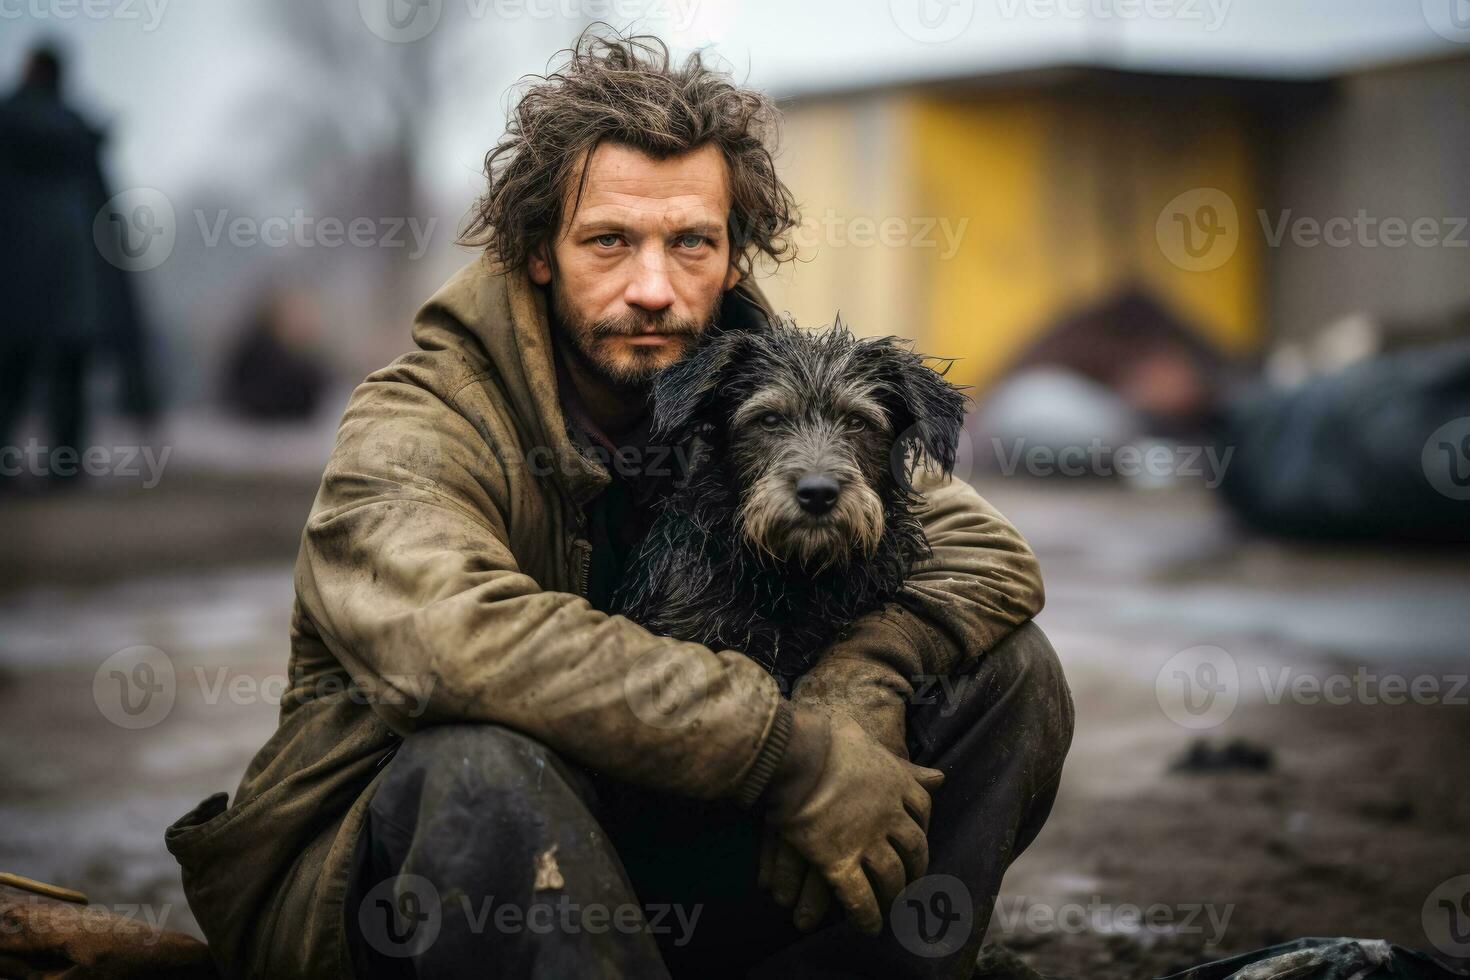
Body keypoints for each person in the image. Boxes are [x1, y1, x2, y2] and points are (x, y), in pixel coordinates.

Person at [166, 31, 1073, 979]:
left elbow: (989, 553)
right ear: (540, 253)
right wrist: (792, 751)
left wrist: (867, 677)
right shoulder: (422, 419)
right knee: (477, 764)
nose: (652, 287)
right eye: (609, 240)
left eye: (691, 242)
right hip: (394, 884)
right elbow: (452, 644)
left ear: (732, 257)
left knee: (1012, 676)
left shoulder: (759, 383)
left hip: (650, 853)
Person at [0, 43, 156, 488]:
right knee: (67, 373)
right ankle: (65, 468)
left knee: (11, 372)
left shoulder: (9, 126)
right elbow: (106, 216)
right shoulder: (78, 137)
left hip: (14, 281)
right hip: (76, 282)